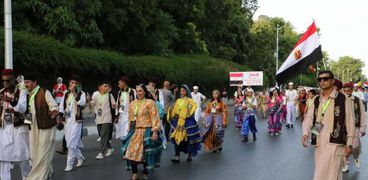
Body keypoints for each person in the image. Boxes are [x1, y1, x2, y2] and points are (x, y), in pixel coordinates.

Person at [302, 71, 355, 180]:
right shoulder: (317, 99)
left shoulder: (343, 98)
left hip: (335, 143)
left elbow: (350, 123)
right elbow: (309, 118)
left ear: (332, 80)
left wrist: (349, 144)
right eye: (320, 79)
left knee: (324, 175)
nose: (322, 81)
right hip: (319, 143)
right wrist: (305, 133)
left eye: (325, 78)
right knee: (330, 175)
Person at [121, 84, 162, 180]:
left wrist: (155, 131)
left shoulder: (150, 103)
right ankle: (134, 173)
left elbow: (155, 117)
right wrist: (129, 129)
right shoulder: (132, 103)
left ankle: (145, 172)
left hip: (147, 130)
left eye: (140, 91)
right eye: (137, 91)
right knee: (130, 151)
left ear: (145, 92)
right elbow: (131, 118)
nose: (138, 93)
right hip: (136, 130)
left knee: (145, 153)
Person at [24, 74, 59, 180]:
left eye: (28, 82)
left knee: (42, 152)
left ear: (35, 82)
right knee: (34, 154)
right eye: (25, 82)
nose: (26, 85)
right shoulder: (27, 95)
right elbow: (28, 112)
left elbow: (54, 106)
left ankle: (38, 177)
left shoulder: (44, 92)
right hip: (33, 128)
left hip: (45, 128)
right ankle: (49, 171)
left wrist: (53, 111)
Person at [0, 69, 30, 180]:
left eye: (7, 81)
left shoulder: (22, 91)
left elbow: (22, 108)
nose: (5, 83)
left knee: (23, 154)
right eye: (3, 81)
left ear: (13, 80)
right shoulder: (1, 92)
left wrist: (11, 101)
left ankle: (26, 176)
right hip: (5, 128)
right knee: (3, 155)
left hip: (19, 126)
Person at [58, 74, 87, 172]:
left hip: (76, 121)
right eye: (72, 82)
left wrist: (75, 93)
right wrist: (60, 116)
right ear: (69, 83)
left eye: (75, 83)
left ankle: (69, 164)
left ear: (78, 84)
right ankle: (80, 157)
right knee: (69, 142)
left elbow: (82, 103)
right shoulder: (66, 93)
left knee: (71, 143)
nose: (73, 85)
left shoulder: (81, 93)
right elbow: (62, 106)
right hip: (67, 121)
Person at [168, 85, 201, 163]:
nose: (182, 92)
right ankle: (177, 156)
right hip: (178, 122)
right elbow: (175, 111)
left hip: (188, 122)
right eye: (181, 91)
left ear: (187, 91)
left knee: (189, 139)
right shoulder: (178, 100)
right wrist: (172, 113)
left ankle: (190, 155)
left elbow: (191, 112)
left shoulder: (191, 101)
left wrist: (185, 116)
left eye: (184, 90)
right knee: (177, 138)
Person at [341, 83, 366, 173]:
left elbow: (362, 114)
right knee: (344, 147)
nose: (347, 92)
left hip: (355, 127)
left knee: (354, 146)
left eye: (349, 91)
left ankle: (356, 157)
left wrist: (363, 128)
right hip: (343, 128)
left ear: (352, 90)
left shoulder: (357, 100)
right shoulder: (340, 99)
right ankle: (346, 165)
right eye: (345, 91)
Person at [90, 82, 116, 160]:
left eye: (107, 86)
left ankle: (101, 152)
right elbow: (92, 104)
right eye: (104, 86)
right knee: (103, 135)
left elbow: (114, 105)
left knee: (103, 135)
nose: (106, 87)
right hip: (99, 118)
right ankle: (110, 148)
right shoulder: (96, 95)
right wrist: (89, 102)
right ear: (100, 87)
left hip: (107, 118)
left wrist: (115, 107)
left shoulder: (109, 95)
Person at [115, 76, 136, 140]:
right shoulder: (120, 92)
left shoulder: (132, 91)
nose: (118, 85)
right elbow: (117, 103)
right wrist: (116, 115)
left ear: (124, 83)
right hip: (121, 114)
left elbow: (135, 103)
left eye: (120, 83)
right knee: (122, 133)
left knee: (128, 132)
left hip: (129, 114)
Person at [160, 81, 175, 146]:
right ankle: (166, 137)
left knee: (161, 124)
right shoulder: (169, 92)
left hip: (160, 111)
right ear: (168, 85)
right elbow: (173, 99)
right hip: (167, 111)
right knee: (168, 125)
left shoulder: (159, 91)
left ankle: (161, 136)